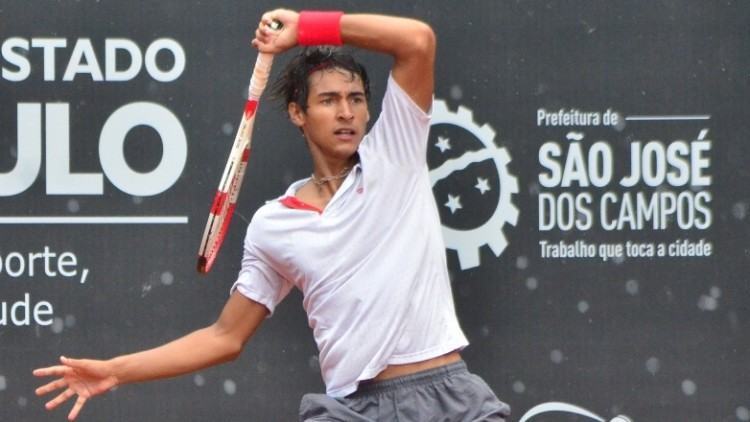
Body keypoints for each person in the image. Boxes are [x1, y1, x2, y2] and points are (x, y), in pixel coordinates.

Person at [33, 9, 511, 421]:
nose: (346, 112)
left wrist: (305, 26)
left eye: (356, 100)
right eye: (328, 100)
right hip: (353, 410)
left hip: (448, 397)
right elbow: (225, 336)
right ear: (298, 114)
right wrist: (116, 370)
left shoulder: (396, 153)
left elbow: (417, 40)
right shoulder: (273, 225)